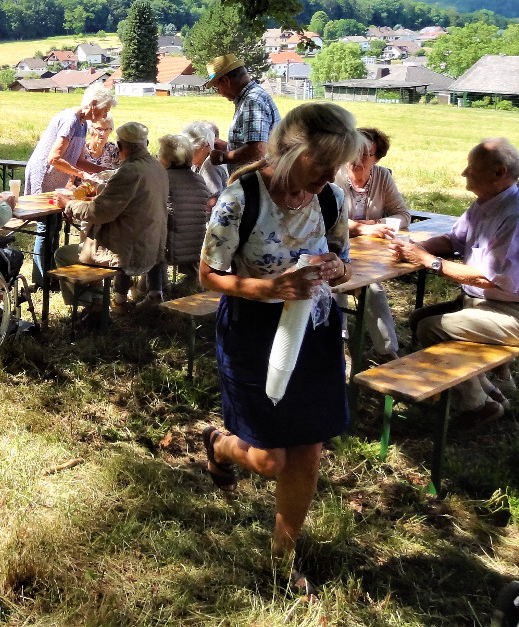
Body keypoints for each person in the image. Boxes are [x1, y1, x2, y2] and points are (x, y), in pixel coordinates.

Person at [199, 102, 361, 600]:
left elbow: (345, 262)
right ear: (289, 153)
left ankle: (282, 557)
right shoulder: (240, 198)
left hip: (313, 333)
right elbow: (207, 275)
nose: (331, 175)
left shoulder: (332, 198)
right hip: (253, 332)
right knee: (271, 460)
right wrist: (269, 289)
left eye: (337, 165)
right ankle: (218, 444)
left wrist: (337, 270)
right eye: (321, 164)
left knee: (307, 454)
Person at [395, 139, 519, 429]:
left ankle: (478, 405)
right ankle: (492, 391)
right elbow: (454, 240)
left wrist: (427, 261)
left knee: (431, 327)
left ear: (498, 173)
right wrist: (411, 245)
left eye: (472, 167)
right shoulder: (488, 202)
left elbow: (494, 280)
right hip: (500, 305)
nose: (463, 172)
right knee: (420, 317)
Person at [54, 122, 168, 313]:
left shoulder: (129, 171)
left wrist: (68, 205)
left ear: (121, 147)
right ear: (145, 143)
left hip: (127, 250)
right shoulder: (157, 167)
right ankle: (100, 297)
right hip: (152, 244)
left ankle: (93, 305)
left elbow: (98, 213)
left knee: (63, 254)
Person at [332, 127, 412, 363]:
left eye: (366, 154)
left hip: (367, 255)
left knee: (372, 291)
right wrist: (359, 228)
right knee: (338, 288)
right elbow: (322, 219)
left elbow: (403, 216)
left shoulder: (382, 176)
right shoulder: (333, 175)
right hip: (333, 248)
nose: (358, 158)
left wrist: (376, 223)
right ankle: (338, 345)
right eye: (355, 151)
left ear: (377, 158)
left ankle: (385, 351)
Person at [24, 84, 117, 285]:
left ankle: (51, 275)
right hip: (44, 175)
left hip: (56, 177)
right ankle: (42, 279)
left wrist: (104, 172)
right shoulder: (70, 120)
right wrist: (81, 174)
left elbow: (79, 159)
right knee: (45, 225)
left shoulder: (83, 124)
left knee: (55, 225)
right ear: (93, 104)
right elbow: (54, 158)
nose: (105, 114)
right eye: (105, 109)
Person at [205, 53, 280, 171]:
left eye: (216, 87)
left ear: (225, 80)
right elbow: (254, 144)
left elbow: (258, 151)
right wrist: (228, 147)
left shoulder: (251, 102)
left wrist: (223, 157)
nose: (219, 92)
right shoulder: (251, 98)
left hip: (256, 183)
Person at [157, 133, 210, 298]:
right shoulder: (199, 180)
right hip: (195, 245)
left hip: (170, 247)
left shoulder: (163, 179)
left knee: (150, 236)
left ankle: (154, 290)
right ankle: (190, 283)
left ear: (168, 158)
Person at [183, 119, 228, 206]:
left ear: (205, 146)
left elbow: (212, 202)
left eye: (191, 149)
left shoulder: (210, 166)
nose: (187, 153)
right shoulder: (197, 163)